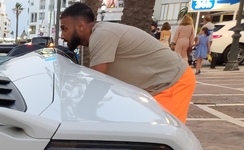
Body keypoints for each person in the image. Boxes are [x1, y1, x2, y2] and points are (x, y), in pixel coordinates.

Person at [59, 3, 196, 123]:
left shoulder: (101, 35)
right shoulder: (100, 33)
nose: (62, 36)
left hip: (173, 83)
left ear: (81, 26)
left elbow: (97, 84)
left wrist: (75, 115)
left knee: (160, 137)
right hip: (156, 88)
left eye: (64, 29)